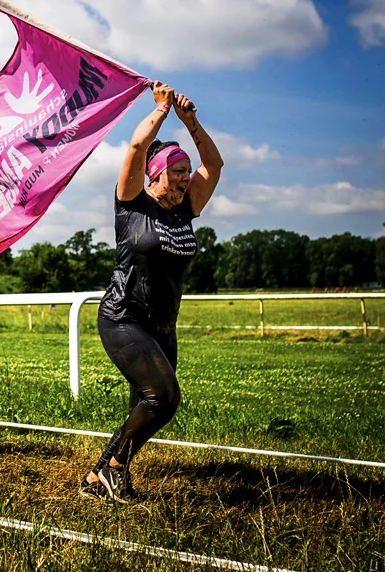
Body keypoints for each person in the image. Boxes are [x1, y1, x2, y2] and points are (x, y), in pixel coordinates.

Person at [80, 83, 223, 502]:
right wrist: (161, 109)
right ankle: (115, 468)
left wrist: (191, 124)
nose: (184, 179)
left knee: (143, 406)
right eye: (177, 172)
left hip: (163, 324)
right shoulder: (132, 203)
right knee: (163, 397)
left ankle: (98, 478)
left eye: (186, 173)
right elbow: (136, 147)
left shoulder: (186, 208)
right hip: (123, 316)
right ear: (155, 173)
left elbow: (214, 165)